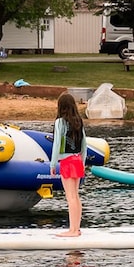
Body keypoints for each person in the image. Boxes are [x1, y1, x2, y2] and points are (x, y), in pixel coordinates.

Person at [50, 92, 86, 237]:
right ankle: (77, 228)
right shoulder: (79, 121)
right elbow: (84, 143)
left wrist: (52, 164)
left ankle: (72, 230)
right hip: (77, 160)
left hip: (67, 161)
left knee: (70, 196)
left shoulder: (60, 122)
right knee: (76, 196)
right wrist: (82, 162)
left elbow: (57, 143)